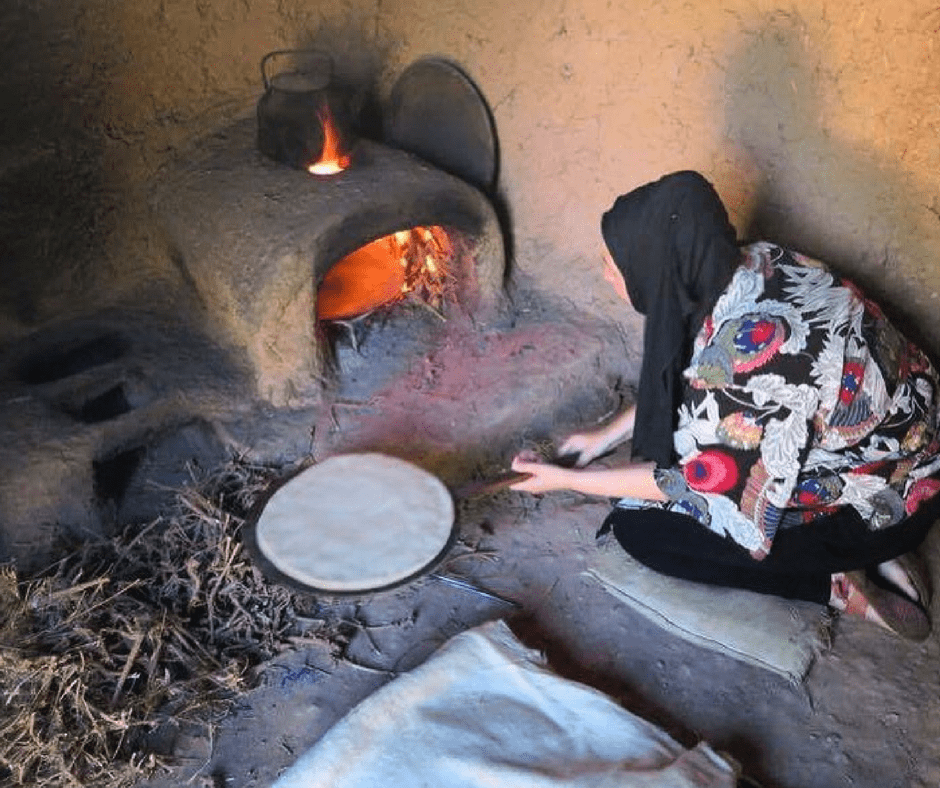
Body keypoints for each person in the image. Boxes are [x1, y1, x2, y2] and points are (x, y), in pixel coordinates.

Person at [510, 170, 940, 641]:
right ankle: (858, 540)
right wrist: (601, 438)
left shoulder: (745, 362)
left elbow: (693, 484)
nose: (608, 273)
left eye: (618, 263)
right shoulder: (756, 261)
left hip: (898, 499)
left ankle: (836, 582)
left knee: (642, 529)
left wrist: (567, 481)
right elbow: (691, 376)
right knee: (673, 452)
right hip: (902, 447)